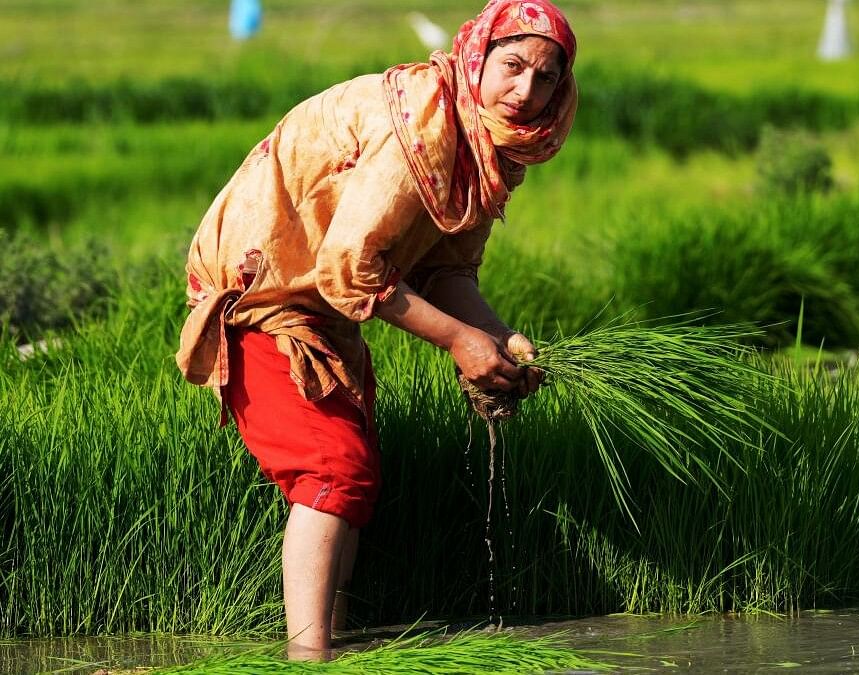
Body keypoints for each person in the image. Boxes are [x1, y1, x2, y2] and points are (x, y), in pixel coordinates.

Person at [175, 0, 576, 660]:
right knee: (333, 468)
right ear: (478, 57)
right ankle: (310, 658)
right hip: (266, 296)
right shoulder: (426, 121)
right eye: (512, 67)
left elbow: (448, 272)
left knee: (353, 476)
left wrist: (499, 340)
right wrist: (456, 340)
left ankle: (335, 641)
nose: (526, 93)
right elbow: (349, 264)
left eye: (546, 79)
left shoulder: (490, 148)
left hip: (325, 303)